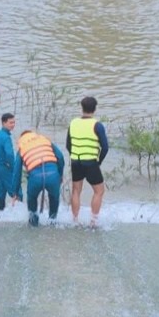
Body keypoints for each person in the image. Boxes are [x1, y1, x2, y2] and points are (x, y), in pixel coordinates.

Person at [66, 96, 109, 227]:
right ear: (94, 109)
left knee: (76, 191)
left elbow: (68, 145)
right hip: (90, 162)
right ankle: (93, 221)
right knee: (99, 191)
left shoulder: (73, 123)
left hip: (75, 161)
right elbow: (105, 147)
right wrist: (99, 161)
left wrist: (74, 155)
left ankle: (75, 220)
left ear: (82, 107)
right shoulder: (97, 125)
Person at [9, 129, 65, 226]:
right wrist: (60, 175)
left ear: (21, 139)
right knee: (54, 199)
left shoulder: (22, 148)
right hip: (53, 175)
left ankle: (33, 226)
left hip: (35, 177)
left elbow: (17, 172)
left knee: (32, 199)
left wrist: (15, 192)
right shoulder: (45, 141)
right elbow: (60, 157)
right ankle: (52, 223)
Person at [0, 113, 21, 210]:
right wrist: (14, 167)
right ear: (3, 123)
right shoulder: (6, 138)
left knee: (1, 189)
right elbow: (10, 154)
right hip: (7, 167)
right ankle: (19, 214)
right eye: (10, 123)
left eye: (14, 122)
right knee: (16, 191)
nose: (13, 125)